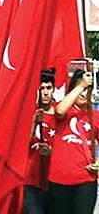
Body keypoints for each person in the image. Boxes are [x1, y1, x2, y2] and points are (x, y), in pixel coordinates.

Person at [47, 69, 99, 214]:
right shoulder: (61, 109)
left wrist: (98, 163)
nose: (83, 93)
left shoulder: (95, 116)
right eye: (80, 89)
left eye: (87, 89)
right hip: (58, 179)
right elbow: (60, 111)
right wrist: (81, 85)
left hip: (85, 181)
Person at [23, 69, 57, 214]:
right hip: (31, 180)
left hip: (55, 181)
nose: (45, 92)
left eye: (48, 88)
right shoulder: (29, 113)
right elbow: (21, 146)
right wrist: (34, 122)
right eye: (41, 88)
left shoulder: (61, 113)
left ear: (54, 89)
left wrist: (52, 152)